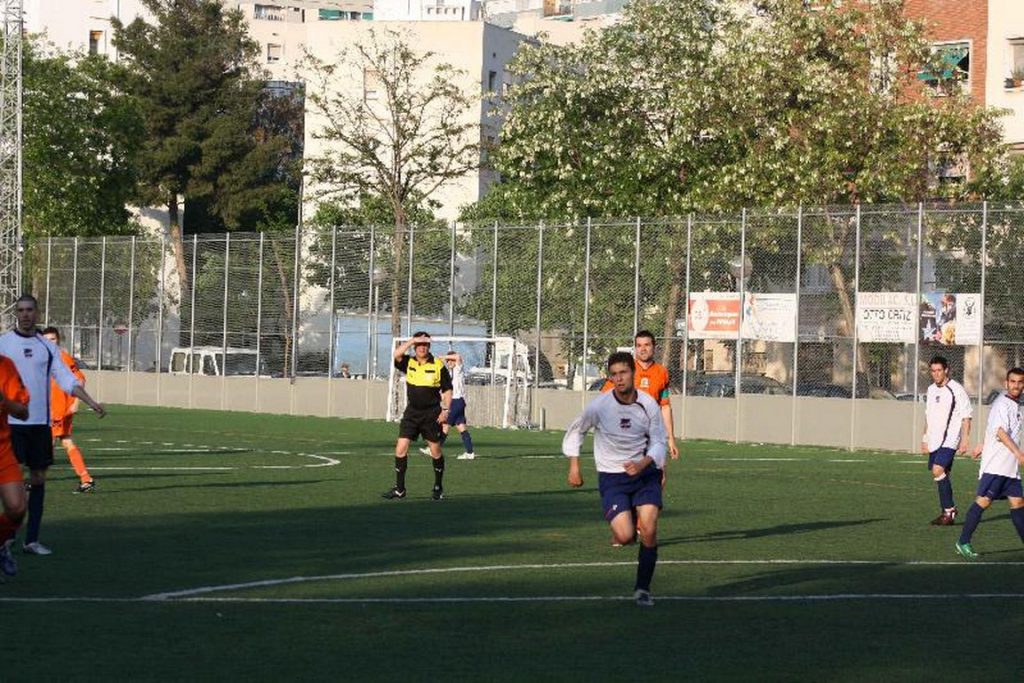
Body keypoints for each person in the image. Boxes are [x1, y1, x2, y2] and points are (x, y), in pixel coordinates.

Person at [0, 295, 106, 556]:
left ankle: (31, 540)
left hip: (40, 425)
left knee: (38, 479)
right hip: (10, 424)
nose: (25, 314)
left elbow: (67, 380)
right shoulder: (4, 343)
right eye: (21, 310)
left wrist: (91, 401)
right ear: (16, 314)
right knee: (9, 485)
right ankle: (7, 537)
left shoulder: (47, 348)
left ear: (37, 313)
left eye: (29, 310)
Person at [563, 351, 668, 607]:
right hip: (612, 477)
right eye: (614, 375)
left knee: (650, 529)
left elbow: (659, 441)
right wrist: (574, 466)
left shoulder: (648, 404)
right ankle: (628, 520)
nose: (619, 379)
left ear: (633, 373)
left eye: (623, 373)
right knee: (624, 536)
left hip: (644, 475)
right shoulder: (600, 405)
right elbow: (577, 430)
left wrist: (644, 463)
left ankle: (642, 589)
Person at [954, 367, 1024, 560]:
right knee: (983, 502)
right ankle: (963, 541)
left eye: (1020, 382)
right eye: (1013, 382)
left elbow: (998, 430)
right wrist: (1019, 454)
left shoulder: (1015, 405)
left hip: (1010, 468)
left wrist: (984, 444)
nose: (1016, 385)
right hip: (997, 466)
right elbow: (1000, 432)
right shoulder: (1003, 404)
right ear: (1006, 383)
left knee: (1018, 503)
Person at [383, 332, 452, 501]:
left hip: (431, 414)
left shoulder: (438, 365)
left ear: (429, 347)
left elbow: (447, 390)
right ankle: (400, 489)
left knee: (435, 451)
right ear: (415, 346)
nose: (422, 347)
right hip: (412, 413)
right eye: (419, 344)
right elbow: (396, 355)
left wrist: (445, 410)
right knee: (400, 449)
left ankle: (438, 487)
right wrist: (412, 340)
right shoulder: (409, 362)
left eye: (425, 344)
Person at [601, 331, 680, 463]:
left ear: (654, 347)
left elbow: (665, 406)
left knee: (656, 478)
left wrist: (671, 438)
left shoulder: (662, 372)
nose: (642, 349)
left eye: (647, 345)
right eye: (639, 345)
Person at [41, 327, 95, 493]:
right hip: (52, 408)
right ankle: (86, 479)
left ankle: (37, 480)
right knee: (66, 442)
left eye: (52, 339)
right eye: (46, 339)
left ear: (58, 340)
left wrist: (75, 403)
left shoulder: (62, 357)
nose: (49, 342)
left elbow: (79, 379)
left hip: (59, 409)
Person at [921, 355, 972, 526]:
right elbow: (928, 416)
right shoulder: (930, 389)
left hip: (949, 440)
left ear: (946, 370)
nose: (936, 374)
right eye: (933, 371)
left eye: (939, 370)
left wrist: (964, 440)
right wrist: (925, 438)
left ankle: (950, 509)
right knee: (942, 475)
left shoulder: (956, 389)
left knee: (937, 470)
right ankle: (946, 512)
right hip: (934, 440)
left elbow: (966, 416)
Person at [0, 355, 30, 579]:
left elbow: (23, 411)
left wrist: (5, 402)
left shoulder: (5, 365)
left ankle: (1, 544)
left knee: (17, 508)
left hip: (2, 451)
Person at [420, 352, 476, 460]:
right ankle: (470, 453)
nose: (449, 362)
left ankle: (434, 449)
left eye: (451, 360)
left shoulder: (458, 369)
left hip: (456, 401)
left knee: (444, 425)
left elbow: (458, 357)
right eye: (448, 361)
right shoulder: (449, 374)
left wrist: (443, 356)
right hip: (458, 402)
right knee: (461, 427)